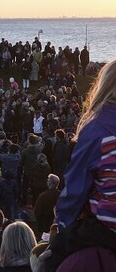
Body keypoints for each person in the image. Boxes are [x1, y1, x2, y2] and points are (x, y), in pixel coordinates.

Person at [47, 60, 116, 270]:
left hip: (107, 227)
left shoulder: (97, 129)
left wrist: (63, 225)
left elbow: (75, 190)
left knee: (49, 259)